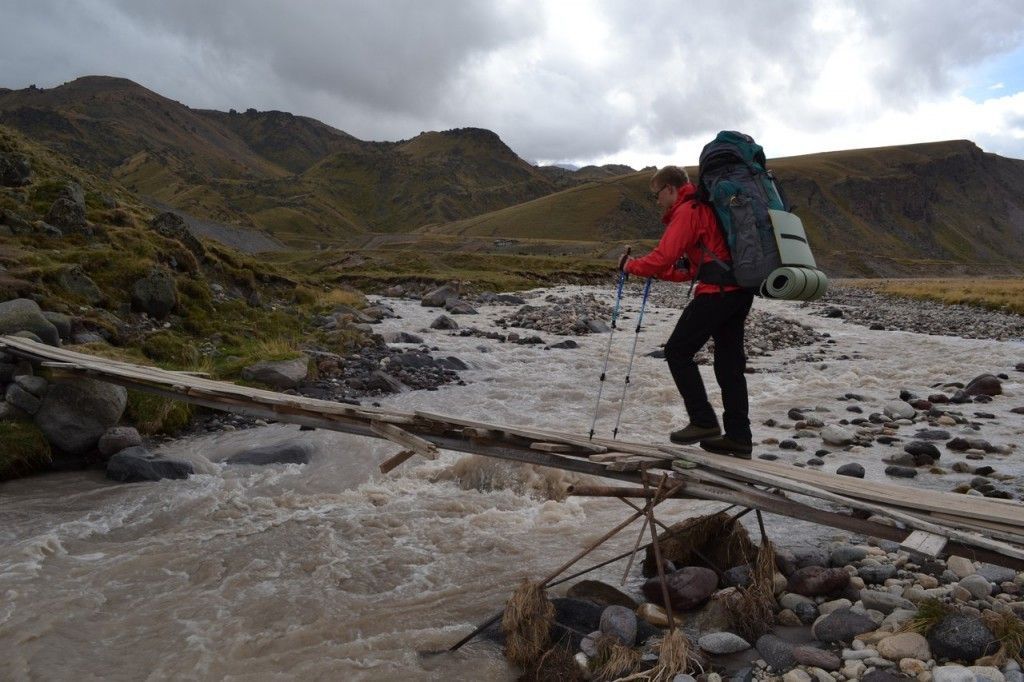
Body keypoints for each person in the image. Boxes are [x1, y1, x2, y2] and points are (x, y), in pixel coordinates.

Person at [618, 165, 755, 458]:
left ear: (670, 189)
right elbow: (689, 269)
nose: (657, 201)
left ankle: (703, 421)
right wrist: (656, 271)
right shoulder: (706, 208)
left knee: (677, 351)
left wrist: (631, 266)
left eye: (657, 194)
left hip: (716, 293)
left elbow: (663, 257)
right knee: (729, 365)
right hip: (739, 291)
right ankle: (739, 438)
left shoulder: (688, 211)